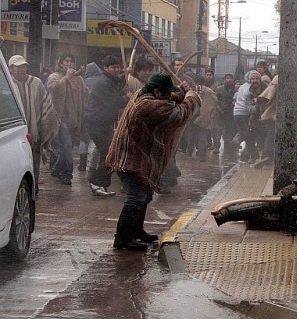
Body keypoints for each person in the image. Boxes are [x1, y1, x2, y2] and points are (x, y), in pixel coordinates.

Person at [106, 73, 201, 251]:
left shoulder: (144, 94)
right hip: (129, 158)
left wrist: (181, 91)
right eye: (165, 92)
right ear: (157, 91)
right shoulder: (148, 105)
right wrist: (192, 96)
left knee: (145, 194)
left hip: (134, 156)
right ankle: (122, 238)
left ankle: (136, 230)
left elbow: (170, 99)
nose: (168, 96)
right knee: (136, 197)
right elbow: (179, 113)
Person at [8, 55, 60, 194]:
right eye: (17, 67)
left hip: (33, 129)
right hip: (13, 130)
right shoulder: (7, 83)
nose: (21, 69)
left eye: (24, 66)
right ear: (10, 68)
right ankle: (17, 187)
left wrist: (44, 127)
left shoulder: (35, 83)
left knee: (34, 158)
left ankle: (34, 185)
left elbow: (46, 104)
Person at [84, 55, 129, 197]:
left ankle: (100, 183)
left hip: (103, 123)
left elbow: (117, 86)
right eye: (113, 67)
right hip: (97, 122)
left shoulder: (110, 80)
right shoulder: (103, 83)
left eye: (118, 67)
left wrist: (126, 74)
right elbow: (115, 102)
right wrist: (129, 97)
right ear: (105, 68)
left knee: (110, 152)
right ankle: (96, 182)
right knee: (110, 152)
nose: (116, 70)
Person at [47, 53, 89, 185]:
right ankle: (66, 174)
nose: (69, 64)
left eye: (71, 61)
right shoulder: (54, 77)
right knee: (66, 147)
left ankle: (57, 168)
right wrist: (66, 78)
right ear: (61, 63)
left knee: (67, 149)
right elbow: (52, 89)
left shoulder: (79, 79)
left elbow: (87, 93)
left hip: (74, 119)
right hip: (59, 119)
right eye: (66, 61)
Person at [233, 70, 267, 164]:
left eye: (256, 78)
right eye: (252, 79)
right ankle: (254, 156)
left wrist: (259, 101)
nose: (254, 80)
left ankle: (266, 157)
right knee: (248, 137)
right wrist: (256, 107)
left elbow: (268, 99)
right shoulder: (249, 91)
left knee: (265, 138)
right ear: (250, 80)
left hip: (267, 117)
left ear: (260, 80)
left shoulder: (266, 87)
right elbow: (249, 106)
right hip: (255, 118)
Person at [213, 74, 237, 154]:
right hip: (221, 113)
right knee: (219, 131)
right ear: (225, 79)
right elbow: (215, 101)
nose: (229, 80)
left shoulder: (236, 90)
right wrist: (219, 110)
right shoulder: (219, 89)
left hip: (231, 113)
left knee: (229, 130)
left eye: (230, 78)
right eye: (227, 78)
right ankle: (216, 147)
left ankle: (228, 146)